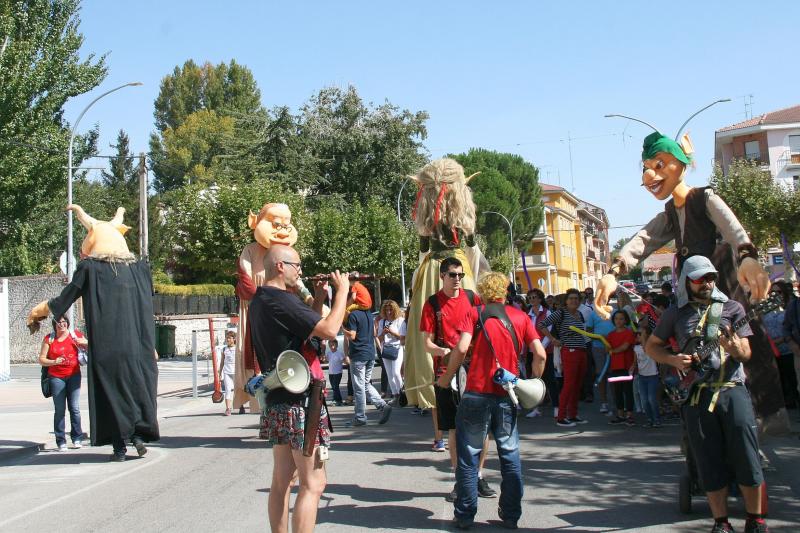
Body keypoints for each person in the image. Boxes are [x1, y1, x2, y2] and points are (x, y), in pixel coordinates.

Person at [646, 255, 768, 533]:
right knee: (707, 460)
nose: (707, 283)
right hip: (696, 395)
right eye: (701, 279)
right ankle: (721, 522)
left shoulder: (733, 308)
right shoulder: (675, 313)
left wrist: (735, 348)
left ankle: (755, 520)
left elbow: (746, 353)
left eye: (711, 278)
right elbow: (653, 345)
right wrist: (674, 360)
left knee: (748, 458)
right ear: (687, 281)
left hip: (731, 390)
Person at [27, 205, 159, 462]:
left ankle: (119, 447)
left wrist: (38, 311)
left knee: (111, 391)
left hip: (109, 345)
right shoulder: (141, 270)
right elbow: (146, 306)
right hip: (139, 345)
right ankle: (138, 436)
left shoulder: (90, 269)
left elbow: (65, 299)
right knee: (137, 387)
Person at [248, 244, 349, 533]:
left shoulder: (261, 299)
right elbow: (329, 330)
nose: (301, 271)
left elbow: (306, 331)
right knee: (314, 484)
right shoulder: (281, 298)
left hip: (278, 399)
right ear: (281, 266)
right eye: (298, 266)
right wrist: (341, 292)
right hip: (301, 403)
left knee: (281, 482)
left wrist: (317, 297)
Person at [437, 271, 546, 530]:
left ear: (483, 292)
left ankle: (464, 515)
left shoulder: (474, 314)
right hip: (507, 394)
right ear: (506, 290)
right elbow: (539, 354)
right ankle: (510, 515)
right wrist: (532, 383)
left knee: (469, 456)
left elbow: (462, 348)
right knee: (510, 455)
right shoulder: (520, 317)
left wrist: (446, 378)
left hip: (476, 392)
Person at [420, 257, 496, 502]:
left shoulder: (473, 298)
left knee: (481, 427)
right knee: (453, 427)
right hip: (445, 373)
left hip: (475, 369)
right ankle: (459, 479)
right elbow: (427, 343)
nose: (457, 279)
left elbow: (486, 328)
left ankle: (479, 475)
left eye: (460, 275)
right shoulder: (432, 304)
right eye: (453, 274)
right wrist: (442, 351)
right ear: (442, 275)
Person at [538, 288, 588, 427]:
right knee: (569, 384)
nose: (574, 301)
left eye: (576, 299)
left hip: (581, 350)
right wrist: (553, 339)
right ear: (566, 301)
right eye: (571, 298)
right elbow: (541, 324)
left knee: (577, 385)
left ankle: (572, 414)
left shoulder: (579, 314)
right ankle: (561, 417)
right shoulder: (561, 313)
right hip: (569, 351)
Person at [344, 282, 392, 426]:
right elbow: (374, 333)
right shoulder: (368, 315)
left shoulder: (353, 315)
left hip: (358, 355)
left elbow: (352, 336)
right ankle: (383, 405)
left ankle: (360, 417)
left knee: (359, 387)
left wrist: (342, 330)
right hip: (370, 353)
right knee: (365, 384)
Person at [38, 315, 86, 451]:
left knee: (75, 408)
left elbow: (90, 345)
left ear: (67, 323)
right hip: (56, 377)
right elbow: (41, 359)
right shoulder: (49, 338)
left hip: (74, 376)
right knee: (60, 410)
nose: (62, 324)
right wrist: (54, 362)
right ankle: (61, 441)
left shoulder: (74, 334)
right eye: (58, 322)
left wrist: (84, 342)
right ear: (54, 325)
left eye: (64, 322)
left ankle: (77, 438)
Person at [764, 281, 797, 408]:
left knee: (793, 378)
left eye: (778, 292)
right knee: (781, 379)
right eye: (772, 292)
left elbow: (793, 328)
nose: (775, 294)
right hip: (773, 352)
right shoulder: (766, 309)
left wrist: (782, 340)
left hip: (790, 350)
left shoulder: (791, 307)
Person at [606, 310, 637, 426]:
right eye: (616, 319)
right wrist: (608, 349)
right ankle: (620, 414)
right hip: (615, 366)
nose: (618, 321)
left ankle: (629, 414)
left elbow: (625, 347)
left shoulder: (629, 333)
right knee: (617, 391)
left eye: (621, 319)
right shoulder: (611, 334)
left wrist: (612, 351)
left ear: (626, 320)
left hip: (627, 366)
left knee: (628, 391)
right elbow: (607, 348)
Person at [585, 307, 615, 414]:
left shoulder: (614, 311)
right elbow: (588, 330)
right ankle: (604, 402)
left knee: (613, 374)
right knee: (601, 374)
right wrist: (599, 337)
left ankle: (616, 402)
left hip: (614, 347)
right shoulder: (593, 314)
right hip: (598, 347)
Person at [377, 299, 406, 404]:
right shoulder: (382, 322)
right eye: (387, 310)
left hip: (397, 348)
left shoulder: (400, 321)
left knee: (396, 372)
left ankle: (403, 393)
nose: (389, 312)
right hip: (386, 349)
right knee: (389, 374)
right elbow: (379, 339)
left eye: (391, 310)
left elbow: (403, 338)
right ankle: (395, 395)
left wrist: (393, 333)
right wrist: (383, 333)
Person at [633, 321, 661, 428]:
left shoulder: (651, 346)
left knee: (651, 399)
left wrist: (645, 338)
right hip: (642, 376)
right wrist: (632, 367)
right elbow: (635, 361)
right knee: (644, 400)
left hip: (652, 376)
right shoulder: (636, 348)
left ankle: (657, 419)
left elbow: (646, 350)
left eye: (641, 334)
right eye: (638, 334)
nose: (638, 336)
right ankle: (649, 419)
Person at [217, 330, 237, 416]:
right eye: (227, 338)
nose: (227, 340)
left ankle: (241, 405)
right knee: (228, 390)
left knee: (238, 389)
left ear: (234, 339)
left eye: (229, 338)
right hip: (227, 372)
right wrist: (220, 372)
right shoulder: (224, 349)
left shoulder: (238, 348)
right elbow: (222, 361)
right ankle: (228, 409)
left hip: (236, 372)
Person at [326, 339, 346, 406]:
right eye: (330, 345)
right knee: (333, 387)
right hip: (331, 373)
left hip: (338, 372)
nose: (332, 347)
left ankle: (337, 400)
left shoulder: (339, 353)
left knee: (335, 386)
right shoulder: (329, 353)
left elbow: (344, 360)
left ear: (336, 345)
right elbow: (327, 360)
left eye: (333, 345)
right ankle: (338, 400)